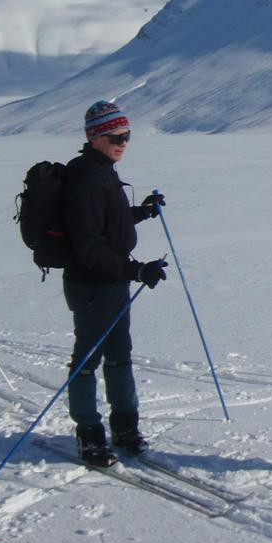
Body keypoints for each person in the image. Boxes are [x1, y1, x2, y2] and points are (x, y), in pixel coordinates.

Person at [62, 100, 167, 467]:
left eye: (127, 136)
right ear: (95, 137)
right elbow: (88, 245)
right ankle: (89, 435)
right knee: (87, 358)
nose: (123, 142)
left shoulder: (102, 170)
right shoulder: (88, 178)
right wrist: (135, 271)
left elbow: (111, 223)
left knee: (120, 354)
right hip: (91, 285)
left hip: (112, 281)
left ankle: (124, 427)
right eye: (116, 136)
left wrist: (142, 211)